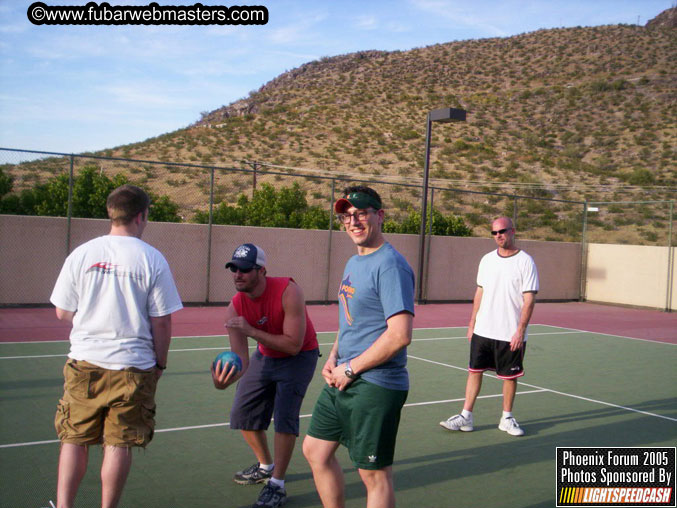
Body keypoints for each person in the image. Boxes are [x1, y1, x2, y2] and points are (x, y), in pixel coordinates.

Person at [49, 184, 183, 508]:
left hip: (84, 362)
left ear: (111, 213)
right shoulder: (152, 258)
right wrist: (160, 364)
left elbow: (62, 312)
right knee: (119, 444)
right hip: (134, 366)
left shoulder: (81, 253)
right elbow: (161, 321)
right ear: (142, 215)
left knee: (73, 439)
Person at [302, 185, 415, 508]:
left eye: (361, 213)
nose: (353, 222)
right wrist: (334, 356)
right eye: (346, 216)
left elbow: (399, 334)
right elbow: (350, 319)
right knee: (315, 450)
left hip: (375, 384)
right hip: (344, 375)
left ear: (379, 215)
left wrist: (350, 368)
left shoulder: (391, 265)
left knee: (374, 475)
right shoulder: (353, 262)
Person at [212, 243, 319, 508]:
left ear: (262, 271)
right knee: (243, 413)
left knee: (284, 417)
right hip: (266, 355)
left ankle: (277, 484)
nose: (238, 274)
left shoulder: (288, 291)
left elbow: (293, 344)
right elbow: (242, 361)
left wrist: (251, 331)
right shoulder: (235, 307)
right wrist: (223, 381)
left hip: (299, 356)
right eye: (234, 269)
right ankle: (265, 465)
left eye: (245, 270)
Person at [440, 216, 539, 436]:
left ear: (512, 231)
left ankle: (507, 418)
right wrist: (472, 323)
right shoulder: (486, 260)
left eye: (502, 231)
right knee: (474, 372)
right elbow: (480, 292)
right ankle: (466, 417)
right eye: (494, 232)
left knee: (509, 377)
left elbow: (529, 299)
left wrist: (520, 330)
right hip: (483, 330)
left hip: (509, 333)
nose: (498, 236)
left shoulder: (525, 261)